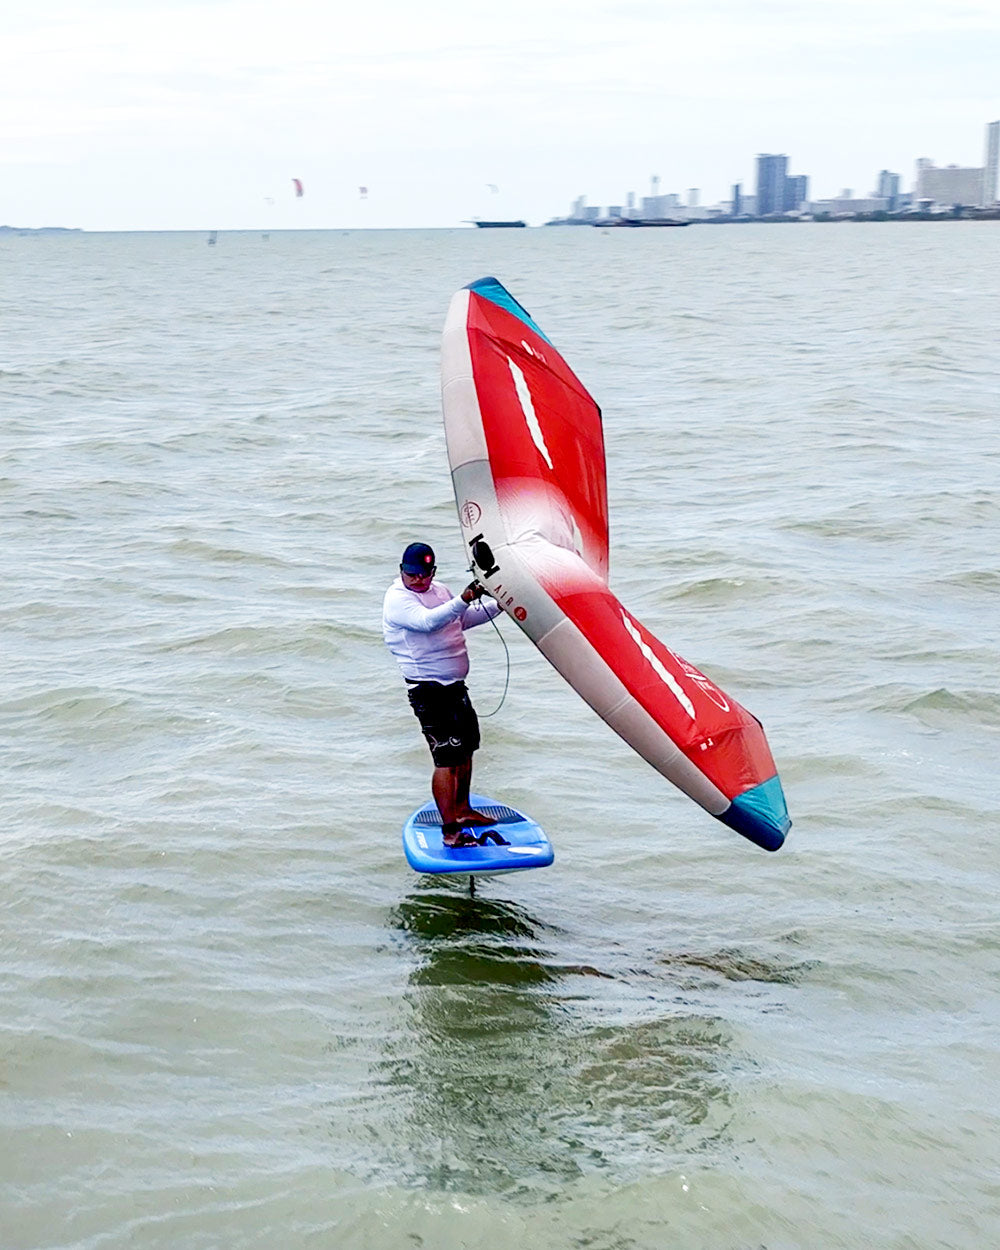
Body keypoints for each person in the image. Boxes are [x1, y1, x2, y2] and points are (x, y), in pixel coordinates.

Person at [383, 542, 503, 847]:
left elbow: (461, 620)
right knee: (446, 760)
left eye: (424, 574)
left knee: (467, 749)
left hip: (455, 686)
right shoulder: (397, 598)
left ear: (433, 572)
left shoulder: (440, 590)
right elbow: (428, 622)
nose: (419, 580)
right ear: (402, 571)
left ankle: (462, 810)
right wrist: (464, 598)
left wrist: (501, 604)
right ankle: (450, 831)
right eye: (412, 574)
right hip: (428, 690)